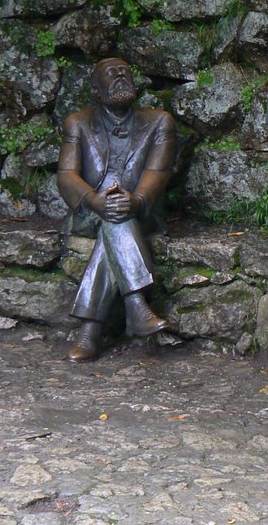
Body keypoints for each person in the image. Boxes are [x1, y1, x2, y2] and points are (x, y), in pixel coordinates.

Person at [57, 57, 176, 362]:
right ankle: (136, 306)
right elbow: (66, 175)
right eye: (111, 74)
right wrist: (95, 200)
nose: (121, 76)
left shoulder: (159, 122)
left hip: (139, 210)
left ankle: (89, 333)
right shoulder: (78, 123)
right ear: (96, 90)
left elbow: (158, 172)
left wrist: (135, 200)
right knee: (112, 216)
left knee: (118, 218)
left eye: (125, 71)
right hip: (90, 210)